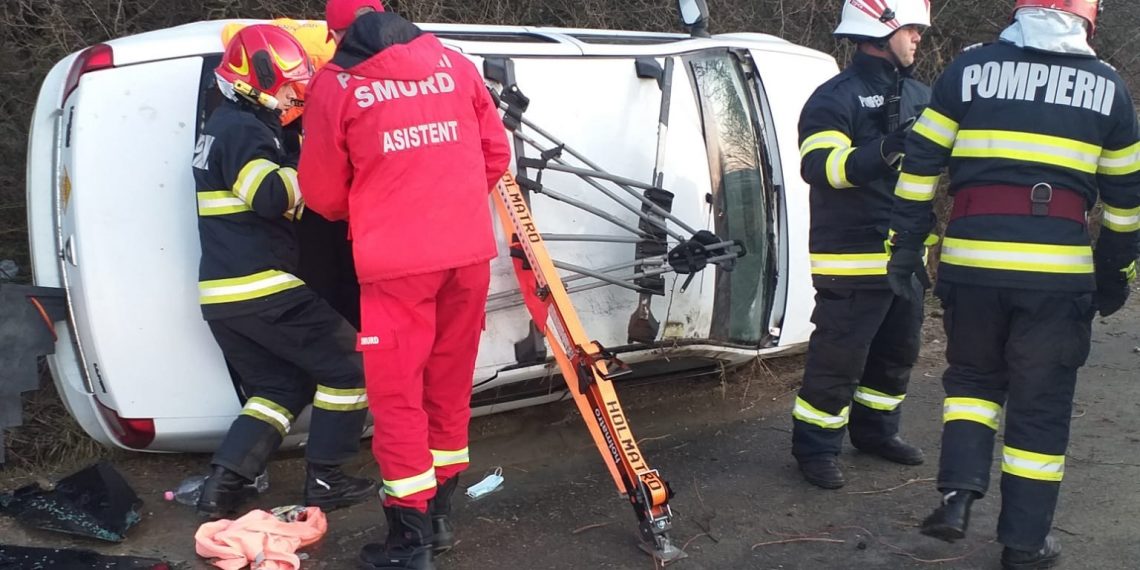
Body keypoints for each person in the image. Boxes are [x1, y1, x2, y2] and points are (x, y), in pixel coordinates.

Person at [886, 1, 1139, 568]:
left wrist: (907, 244)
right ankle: (1024, 545)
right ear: (1089, 16)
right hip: (1055, 273)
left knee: (973, 381)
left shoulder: (968, 69)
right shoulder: (1109, 89)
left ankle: (956, 498)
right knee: (1041, 405)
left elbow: (921, 163)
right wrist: (1114, 274)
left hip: (972, 262)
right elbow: (1126, 204)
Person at [299, 1, 511, 568]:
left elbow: (320, 193)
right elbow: (496, 153)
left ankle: (408, 543)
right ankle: (439, 517)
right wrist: (452, 201)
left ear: (337, 33)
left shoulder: (337, 84)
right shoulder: (455, 63)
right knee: (447, 387)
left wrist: (374, 206)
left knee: (398, 400)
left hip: (395, 265)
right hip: (465, 255)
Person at [191, 24, 376, 518]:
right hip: (263, 289)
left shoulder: (221, 127)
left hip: (227, 297)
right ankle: (327, 480)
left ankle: (223, 486)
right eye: (290, 86)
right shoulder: (243, 129)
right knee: (351, 366)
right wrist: (316, 160)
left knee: (281, 389)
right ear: (258, 78)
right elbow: (270, 197)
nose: (295, 95)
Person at [790, 0, 932, 489]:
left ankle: (875, 433)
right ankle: (815, 449)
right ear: (880, 27)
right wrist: (887, 148)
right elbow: (821, 167)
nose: (918, 38)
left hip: (907, 257)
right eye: (911, 29)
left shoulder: (920, 95)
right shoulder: (835, 98)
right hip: (850, 257)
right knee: (839, 361)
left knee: (897, 354)